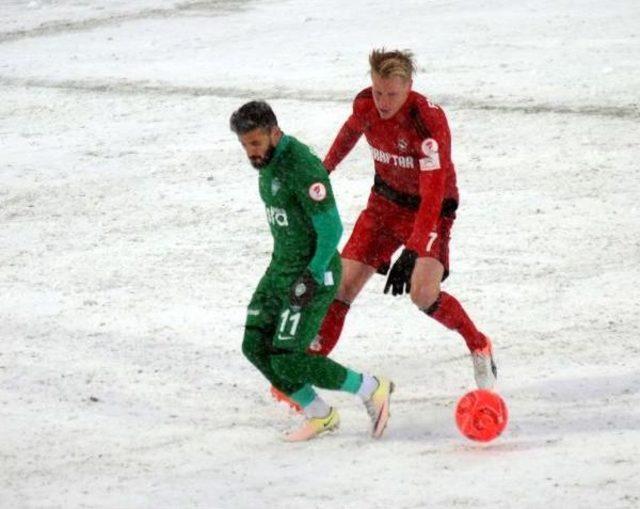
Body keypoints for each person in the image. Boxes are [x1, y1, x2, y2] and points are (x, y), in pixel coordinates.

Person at [314, 49, 497, 389]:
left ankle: (478, 344)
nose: (383, 101)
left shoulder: (427, 121)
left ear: (409, 86)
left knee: (423, 294)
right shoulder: (366, 104)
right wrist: (324, 170)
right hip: (383, 204)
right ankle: (308, 370)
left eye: (392, 94)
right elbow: (351, 131)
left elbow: (433, 194)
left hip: (431, 210)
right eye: (378, 91)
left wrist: (413, 249)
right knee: (341, 287)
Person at [230, 100, 394, 441]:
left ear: (275, 133)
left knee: (288, 359)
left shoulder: (301, 166)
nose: (250, 153)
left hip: (312, 275)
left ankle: (371, 388)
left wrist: (312, 274)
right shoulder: (269, 161)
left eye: (256, 143)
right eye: (245, 145)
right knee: (254, 345)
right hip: (280, 269)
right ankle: (319, 414)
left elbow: (332, 229)